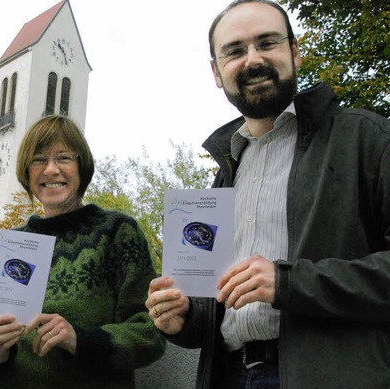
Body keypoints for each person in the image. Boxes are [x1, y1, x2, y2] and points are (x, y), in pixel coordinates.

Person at [145, 0, 390, 388]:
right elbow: (214, 318)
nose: (252, 59)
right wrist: (183, 319)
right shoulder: (224, 177)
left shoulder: (367, 138)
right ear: (216, 71)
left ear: (294, 51)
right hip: (229, 375)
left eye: (267, 43)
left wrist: (289, 283)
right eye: (235, 51)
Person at [0, 115, 165, 388]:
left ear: (82, 166)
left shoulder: (117, 232)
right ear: (26, 171)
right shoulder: (12, 244)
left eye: (64, 158)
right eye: (38, 159)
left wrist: (79, 340)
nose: (51, 170)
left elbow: (151, 333)